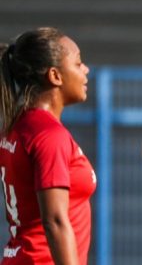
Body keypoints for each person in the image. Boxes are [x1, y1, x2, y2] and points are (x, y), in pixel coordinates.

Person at [0, 27, 95, 264]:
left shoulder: (18, 126)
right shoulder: (49, 135)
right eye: (78, 63)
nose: (86, 70)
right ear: (55, 76)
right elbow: (55, 221)